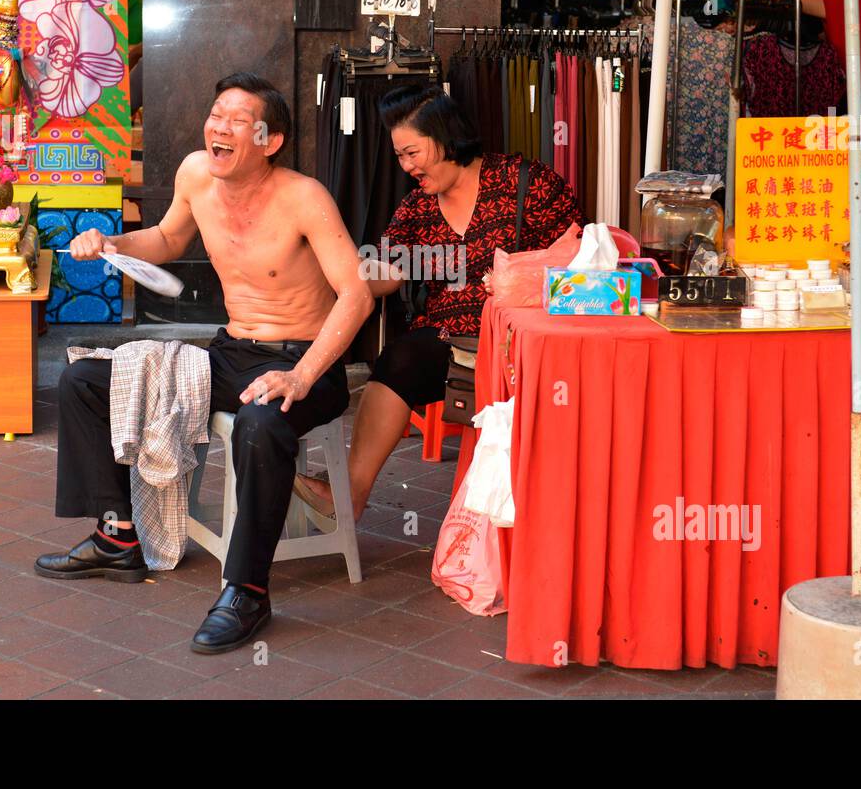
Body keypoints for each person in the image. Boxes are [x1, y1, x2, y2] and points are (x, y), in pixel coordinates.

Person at [35, 72, 374, 654]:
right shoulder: (196, 173)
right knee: (86, 379)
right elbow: (167, 239)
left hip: (303, 362)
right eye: (216, 114)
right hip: (231, 350)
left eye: (238, 121)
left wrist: (302, 374)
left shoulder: (303, 197)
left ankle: (246, 589)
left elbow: (358, 294)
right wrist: (111, 241)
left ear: (270, 140)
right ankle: (117, 538)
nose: (219, 127)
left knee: (260, 424)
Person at [293, 85, 584, 521]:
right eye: (399, 157)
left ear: (446, 137)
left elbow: (580, 257)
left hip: (524, 339)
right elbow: (388, 272)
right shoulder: (417, 209)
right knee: (401, 357)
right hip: (453, 343)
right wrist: (332, 275)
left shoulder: (526, 182)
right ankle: (350, 494)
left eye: (412, 152)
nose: (406, 166)